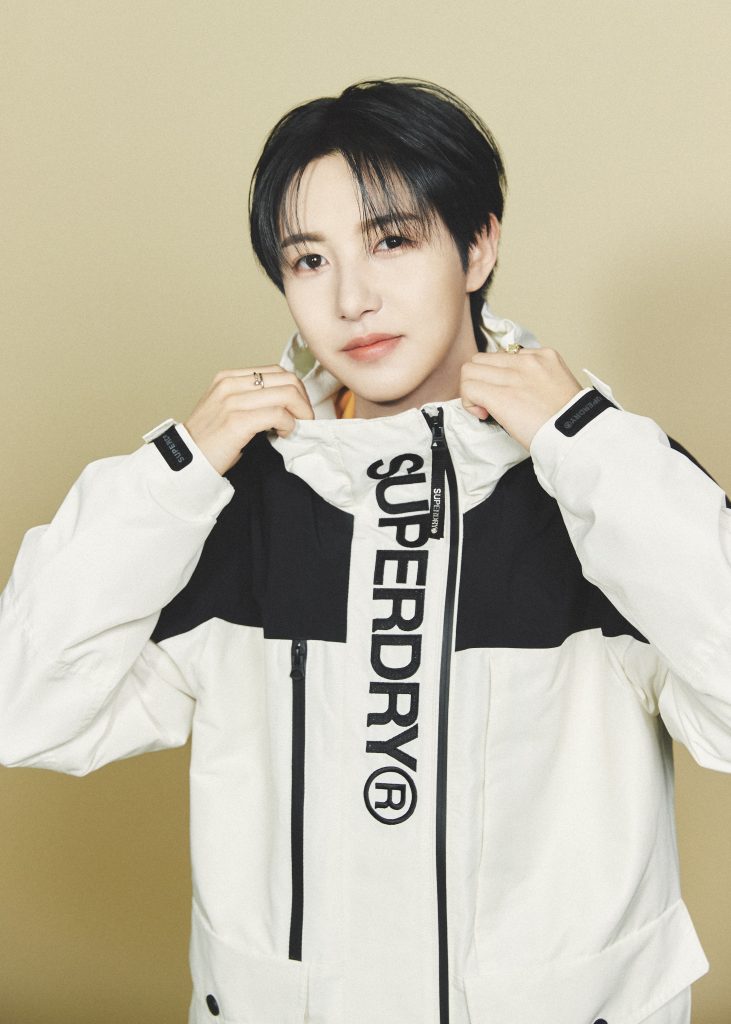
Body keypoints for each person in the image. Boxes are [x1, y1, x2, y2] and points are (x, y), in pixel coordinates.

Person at [0, 77, 729, 1024]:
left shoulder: (608, 487)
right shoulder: (233, 503)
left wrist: (588, 445)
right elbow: (24, 709)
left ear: (477, 246)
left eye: (391, 241)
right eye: (310, 260)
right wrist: (172, 472)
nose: (351, 299)